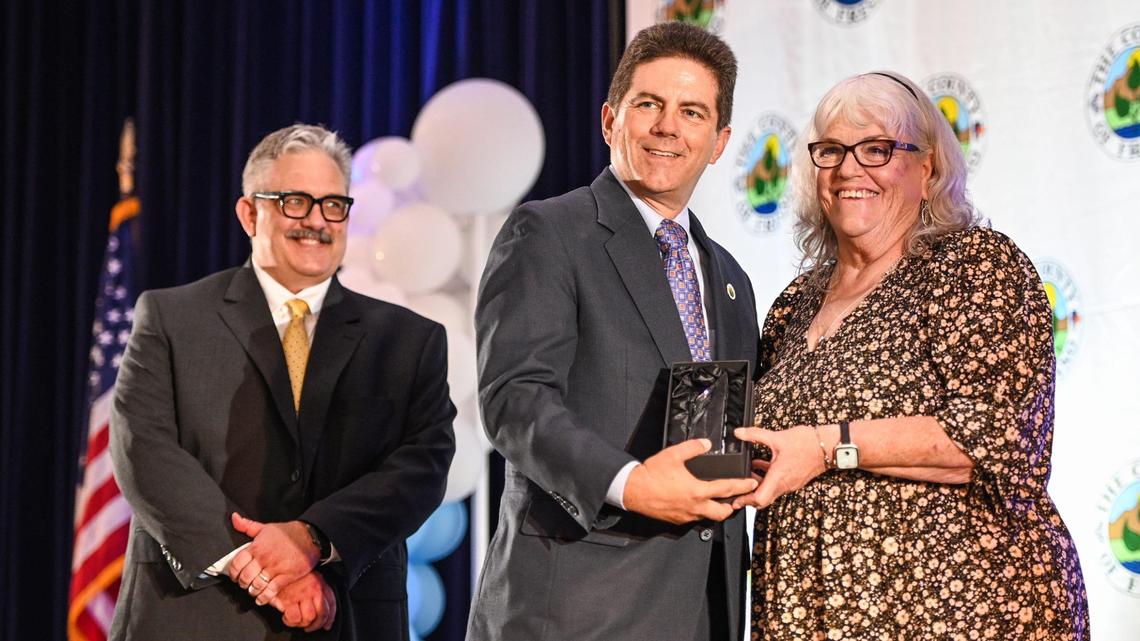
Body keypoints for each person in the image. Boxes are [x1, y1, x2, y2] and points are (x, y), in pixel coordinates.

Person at [732, 71, 1090, 640]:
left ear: (927, 169)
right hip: (810, 614)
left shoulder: (973, 266)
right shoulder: (792, 306)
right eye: (832, 151)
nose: (850, 169)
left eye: (876, 149)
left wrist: (827, 447)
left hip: (962, 611)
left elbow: (995, 437)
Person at [467, 22, 761, 641]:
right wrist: (629, 483)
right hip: (575, 608)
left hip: (704, 610)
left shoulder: (732, 279)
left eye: (691, 112)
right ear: (609, 120)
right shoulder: (548, 234)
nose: (666, 127)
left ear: (719, 142)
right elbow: (515, 402)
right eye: (648, 104)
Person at [108, 124, 456, 640]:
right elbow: (144, 449)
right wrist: (263, 571)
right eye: (295, 201)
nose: (316, 221)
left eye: (333, 205)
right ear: (250, 213)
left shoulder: (409, 341)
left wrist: (313, 538)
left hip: (347, 616)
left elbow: (422, 466)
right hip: (193, 615)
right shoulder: (170, 317)